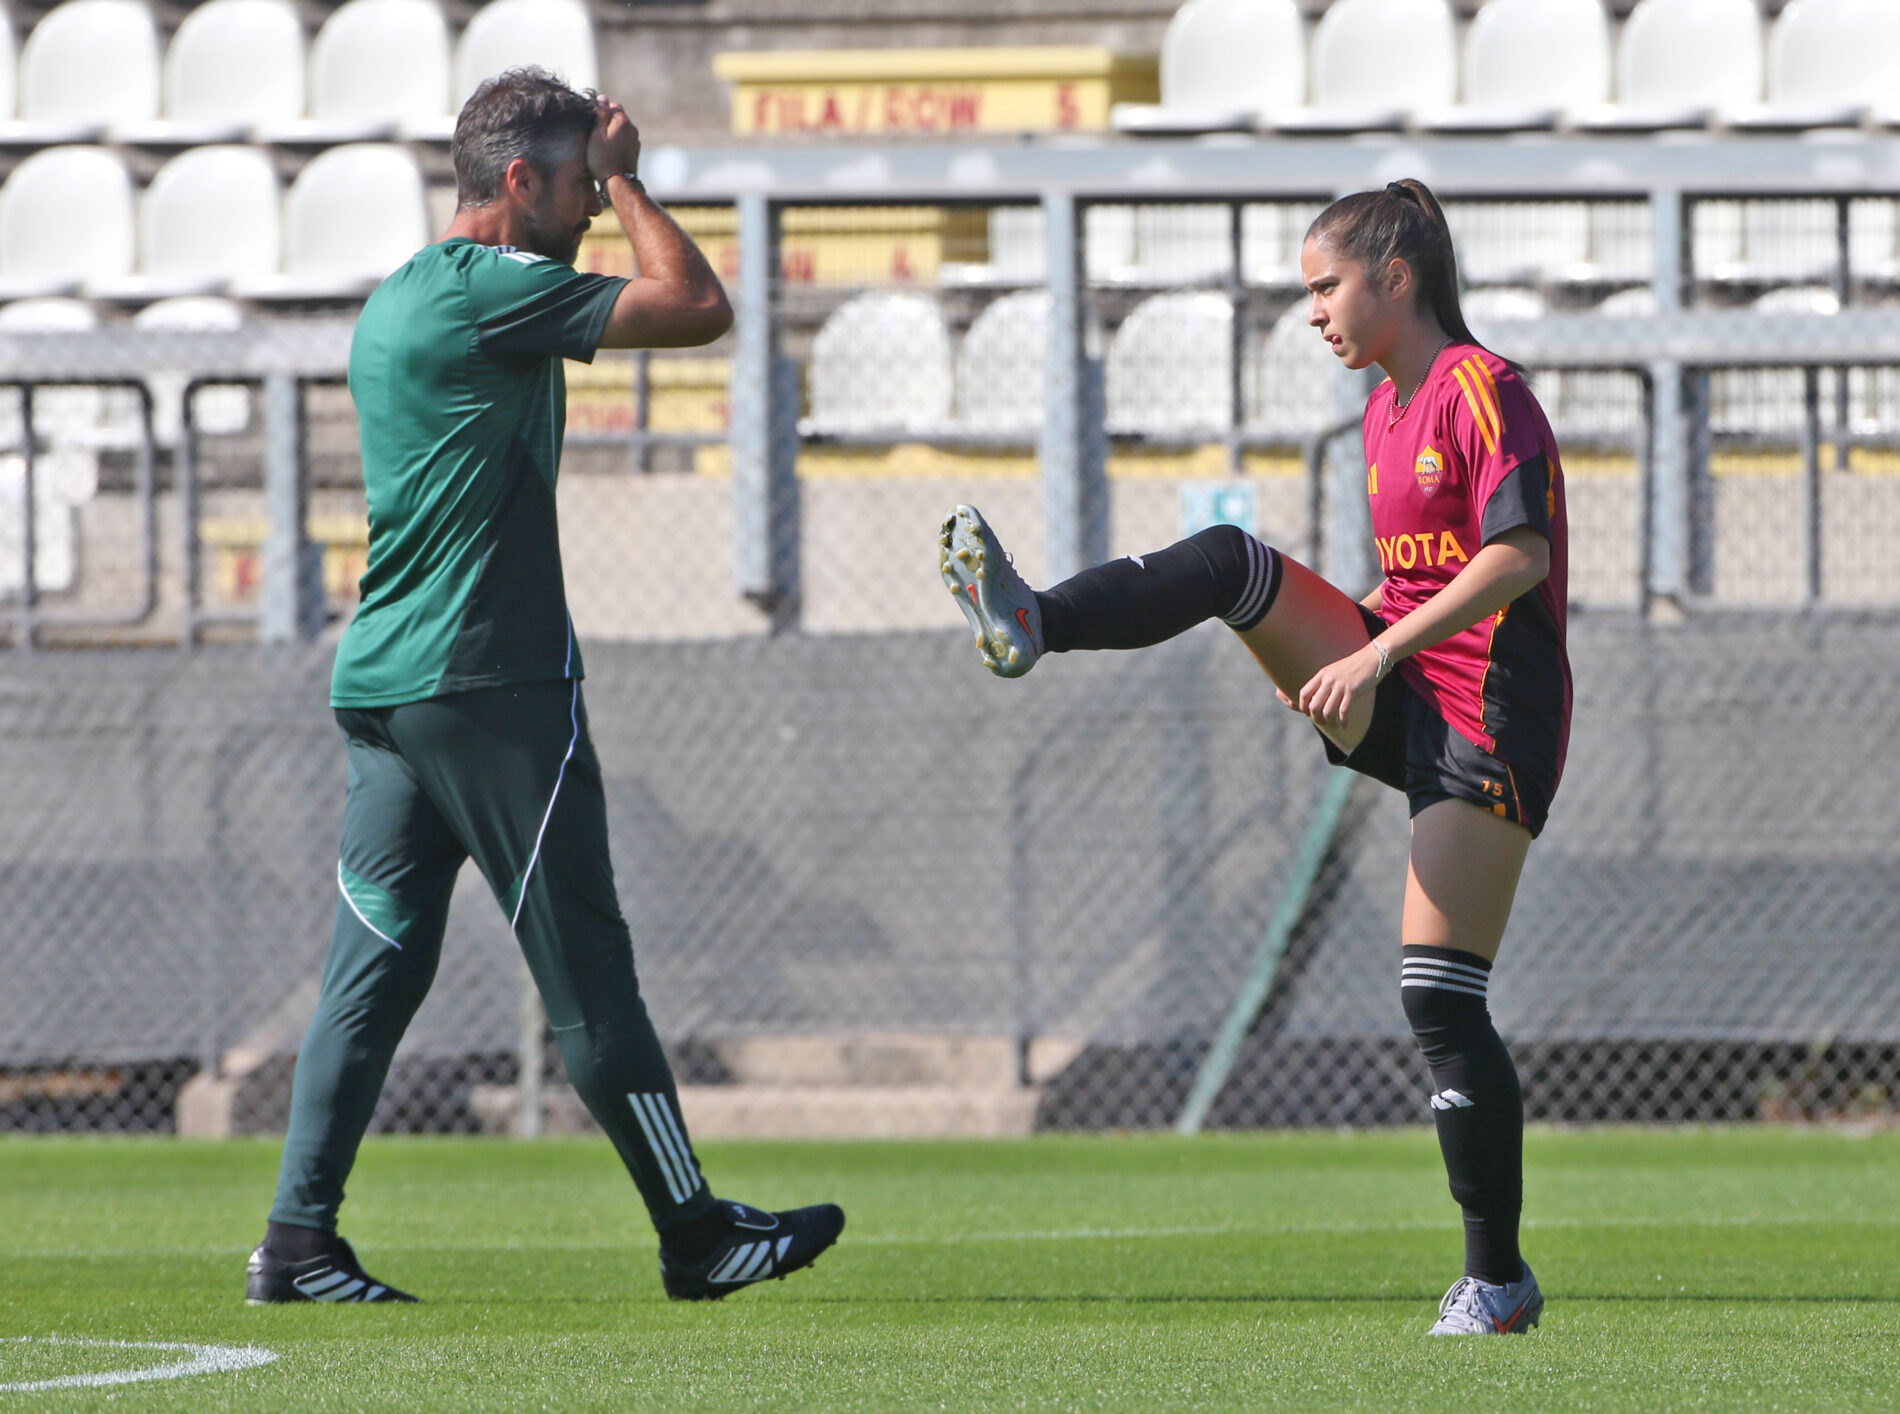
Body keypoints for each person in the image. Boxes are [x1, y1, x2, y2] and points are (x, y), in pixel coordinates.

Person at [246, 68, 843, 1306]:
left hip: (391, 689)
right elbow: (696, 305)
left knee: (371, 972)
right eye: (574, 186)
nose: (584, 211)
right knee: (588, 967)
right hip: (493, 681)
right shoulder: (491, 289)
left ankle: (299, 1242)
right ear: (518, 181)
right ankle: (696, 1234)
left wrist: (605, 171)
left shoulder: (405, 292)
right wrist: (634, 176)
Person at [939, 179, 1566, 1336]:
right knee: (1236, 563)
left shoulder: (1487, 391)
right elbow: (1419, 579)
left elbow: (1514, 557)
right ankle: (1032, 620)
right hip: (1414, 673)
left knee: (1438, 997)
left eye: (1324, 286)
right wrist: (1352, 631)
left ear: (1395, 276)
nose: (1315, 312)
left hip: (1490, 709)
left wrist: (1371, 655)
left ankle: (1497, 1277)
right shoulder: (1383, 412)